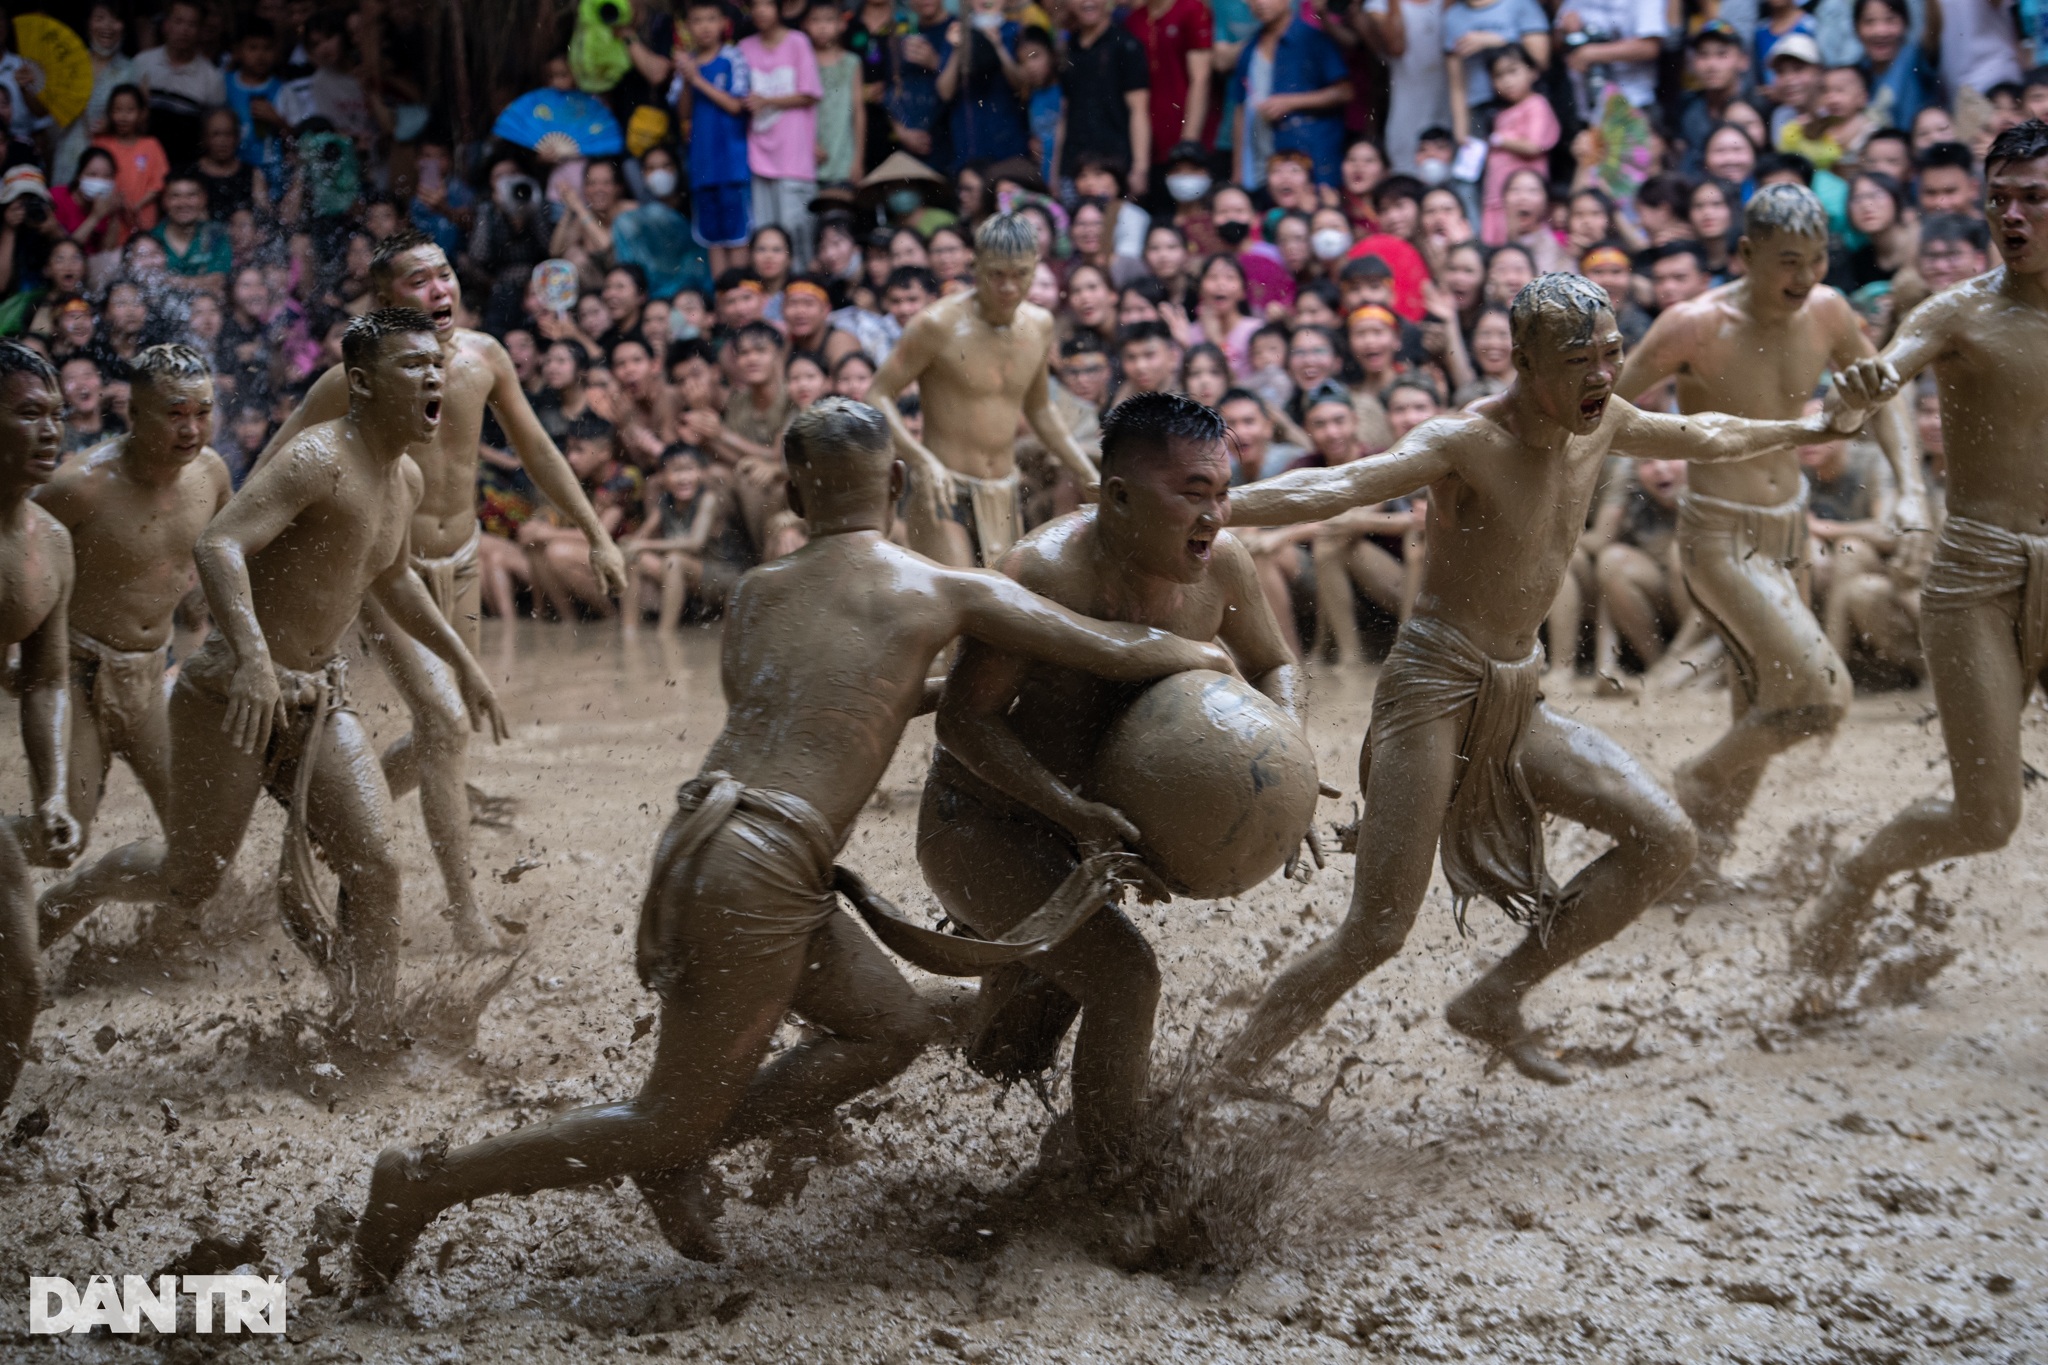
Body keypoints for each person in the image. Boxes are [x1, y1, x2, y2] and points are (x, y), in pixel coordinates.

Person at [351, 395, 1229, 1284]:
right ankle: (424, 1183)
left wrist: (916, 692)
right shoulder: (936, 584)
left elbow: (816, 703)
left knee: (890, 1030)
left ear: (795, 492)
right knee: (663, 1117)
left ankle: (683, 1146)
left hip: (712, 832)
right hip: (763, 862)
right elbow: (1109, 648)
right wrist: (1210, 661)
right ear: (894, 480)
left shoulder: (759, 592)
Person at [1213, 273, 1877, 1087]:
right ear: (1524, 361)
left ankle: (1495, 996)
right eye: (1577, 360)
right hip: (1431, 691)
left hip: (1517, 694)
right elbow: (1337, 485)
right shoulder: (1464, 440)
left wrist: (1814, 423)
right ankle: (1223, 1073)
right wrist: (1207, 508)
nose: (1601, 376)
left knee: (1665, 839)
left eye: (1611, 354)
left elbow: (1705, 431)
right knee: (1379, 929)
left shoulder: (1605, 423)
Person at [36, 311, 507, 1049]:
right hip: (229, 694)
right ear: (360, 382)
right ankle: (76, 892)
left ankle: (365, 1026)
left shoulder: (405, 477)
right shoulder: (316, 457)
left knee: (377, 864)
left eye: (435, 365)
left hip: (319, 696)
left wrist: (466, 663)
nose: (433, 375)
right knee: (191, 877)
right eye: (412, 365)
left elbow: (391, 574)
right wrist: (254, 657)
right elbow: (219, 543)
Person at [919, 391, 1298, 1181]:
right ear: (1118, 497)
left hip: (1088, 832)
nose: (1214, 516)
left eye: (1223, 493)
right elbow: (961, 721)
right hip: (981, 820)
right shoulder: (1040, 572)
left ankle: (875, 1023)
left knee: (1008, 1046)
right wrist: (1067, 808)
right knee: (1125, 979)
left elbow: (1274, 663)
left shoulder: (1219, 566)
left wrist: (1283, 751)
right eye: (1192, 494)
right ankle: (1120, 1186)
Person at [251, 231, 628, 951]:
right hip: (383, 570)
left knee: (442, 732)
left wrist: (596, 531)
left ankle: (323, 826)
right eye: (418, 280)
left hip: (458, 562)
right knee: (448, 722)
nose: (439, 289)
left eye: (445, 273)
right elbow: (278, 463)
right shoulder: (351, 378)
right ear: (387, 299)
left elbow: (536, 448)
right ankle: (466, 913)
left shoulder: (485, 358)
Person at [1796, 121, 2048, 989]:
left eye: (2034, 198)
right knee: (1987, 816)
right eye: (2000, 198)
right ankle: (1852, 882)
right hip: (1975, 572)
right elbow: (1883, 374)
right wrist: (1864, 388)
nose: (2012, 214)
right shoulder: (1958, 309)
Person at [1615, 185, 1927, 880]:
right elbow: (1604, 411)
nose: (1806, 276)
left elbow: (1884, 393)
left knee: (1764, 702)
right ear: (1747, 253)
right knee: (1822, 695)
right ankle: (1698, 775)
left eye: (1817, 259)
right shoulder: (1691, 324)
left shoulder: (1827, 310)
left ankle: (1699, 860)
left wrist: (1909, 488)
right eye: (1789, 260)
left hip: (1790, 530)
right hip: (1719, 534)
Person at [29, 346, 229, 907]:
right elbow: (16, 555)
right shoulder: (79, 485)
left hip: (152, 672)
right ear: (134, 415)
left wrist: (215, 637)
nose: (191, 429)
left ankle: (97, 908)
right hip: (76, 674)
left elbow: (221, 560)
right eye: (174, 413)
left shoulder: (211, 473)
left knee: (202, 841)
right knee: (61, 837)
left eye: (202, 411)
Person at [869, 213, 1098, 568]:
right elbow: (878, 395)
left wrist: (1086, 472)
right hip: (943, 488)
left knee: (1003, 607)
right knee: (961, 599)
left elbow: (1040, 409)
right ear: (975, 266)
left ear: (1035, 267)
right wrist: (921, 459)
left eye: (1020, 274)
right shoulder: (936, 324)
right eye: (997, 275)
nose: (1008, 287)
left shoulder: (1039, 325)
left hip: (1002, 492)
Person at [0, 342, 84, 1114]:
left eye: (58, 415)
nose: (52, 431)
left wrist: (51, 792)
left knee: (21, 979)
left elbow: (47, 678)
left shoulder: (50, 543)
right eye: (30, 413)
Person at [1231, 0, 1351, 190]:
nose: (1260, 3)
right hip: (1262, 162)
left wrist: (1291, 102)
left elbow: (1345, 92)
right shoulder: (1249, 50)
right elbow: (1240, 110)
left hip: (1309, 158)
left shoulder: (1313, 39)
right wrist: (1238, 170)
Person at [740, 0, 823, 265]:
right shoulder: (744, 47)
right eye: (755, 6)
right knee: (765, 236)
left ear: (779, 9)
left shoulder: (798, 42)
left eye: (766, 4)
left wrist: (767, 101)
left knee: (797, 235)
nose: (760, 11)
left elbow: (810, 93)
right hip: (758, 156)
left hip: (793, 155)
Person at [676, 0, 753, 277]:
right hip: (702, 167)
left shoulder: (732, 57)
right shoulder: (687, 64)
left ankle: (742, 295)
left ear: (723, 23)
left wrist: (696, 80)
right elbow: (683, 113)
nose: (705, 26)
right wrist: (686, 79)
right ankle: (724, 306)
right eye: (697, 20)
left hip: (732, 166)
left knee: (737, 236)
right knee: (713, 241)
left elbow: (736, 106)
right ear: (688, 27)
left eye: (711, 18)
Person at [1058, 0, 1152, 192]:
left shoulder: (1126, 45)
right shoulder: (1068, 48)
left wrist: (1140, 168)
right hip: (1074, 163)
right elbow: (1064, 112)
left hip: (1115, 163)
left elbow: (1139, 110)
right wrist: (1055, 171)